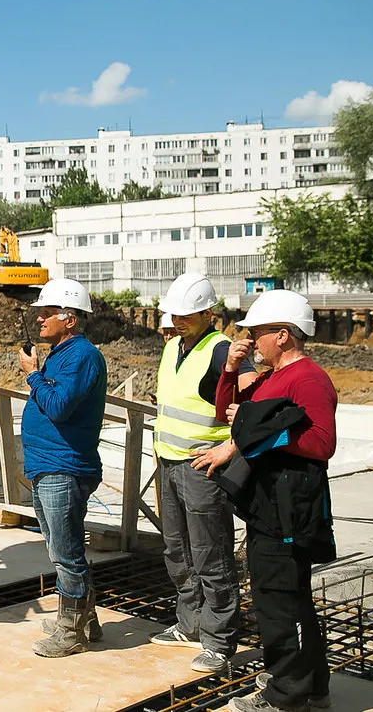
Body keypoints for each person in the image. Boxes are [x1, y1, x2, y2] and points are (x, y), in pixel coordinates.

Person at [192, 291, 337, 712]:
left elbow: (321, 442)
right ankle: (311, 685)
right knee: (290, 599)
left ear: (284, 335)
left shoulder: (307, 379)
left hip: (288, 506)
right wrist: (232, 369)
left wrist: (256, 429)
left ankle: (286, 695)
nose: (253, 341)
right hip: (270, 503)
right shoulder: (273, 377)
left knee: (278, 601)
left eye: (258, 334)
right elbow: (227, 412)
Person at [149, 274, 256, 673]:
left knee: (211, 556)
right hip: (168, 463)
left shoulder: (221, 349)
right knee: (177, 552)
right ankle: (190, 623)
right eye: (175, 314)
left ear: (208, 313)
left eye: (188, 315)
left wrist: (229, 445)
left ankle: (220, 639)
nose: (178, 321)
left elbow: (250, 394)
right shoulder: (173, 346)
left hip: (201, 468)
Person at [18, 278, 107, 658]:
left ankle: (71, 632)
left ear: (70, 319)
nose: (39, 318)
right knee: (60, 549)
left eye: (47, 312)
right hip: (47, 465)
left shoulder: (81, 356)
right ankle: (84, 619)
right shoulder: (61, 353)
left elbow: (58, 405)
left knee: (65, 553)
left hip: (63, 467)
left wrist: (33, 374)